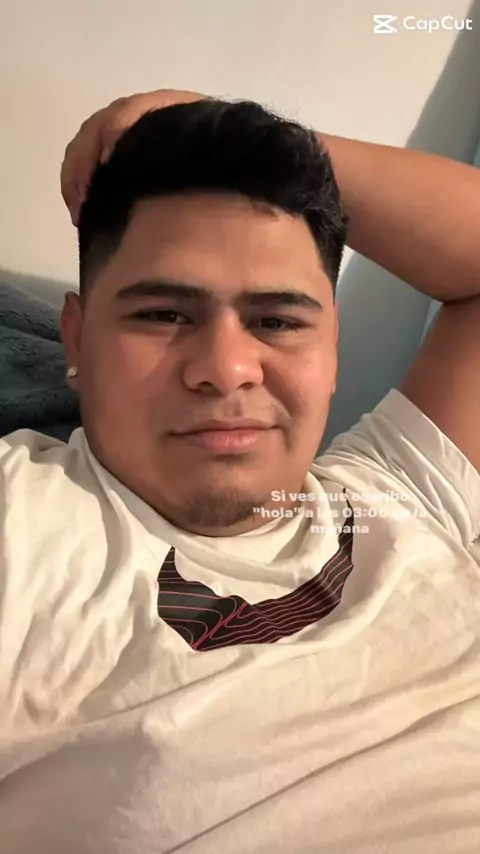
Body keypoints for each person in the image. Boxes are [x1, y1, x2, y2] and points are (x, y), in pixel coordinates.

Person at [1, 88, 480, 854]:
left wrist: (277, 143)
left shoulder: (408, 491)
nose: (226, 370)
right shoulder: (21, 522)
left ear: (332, 350)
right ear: (78, 339)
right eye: (164, 314)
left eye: (278, 321)